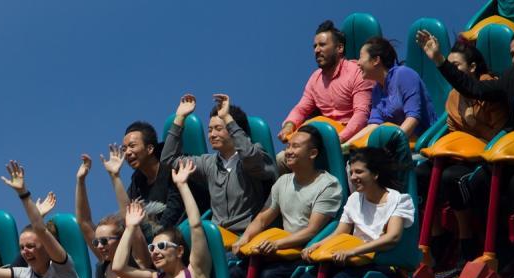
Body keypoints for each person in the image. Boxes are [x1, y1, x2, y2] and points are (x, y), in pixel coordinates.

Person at [233, 148, 413, 278]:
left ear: (376, 174)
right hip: (355, 260)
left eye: (359, 172)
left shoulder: (399, 200)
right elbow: (340, 232)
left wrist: (354, 251)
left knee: (348, 272)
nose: (353, 177)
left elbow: (392, 238)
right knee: (315, 271)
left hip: (387, 267)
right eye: (352, 173)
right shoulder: (355, 199)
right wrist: (316, 245)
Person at [417, 26, 514, 278]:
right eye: (512, 53)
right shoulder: (510, 80)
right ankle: (503, 249)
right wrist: (439, 61)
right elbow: (474, 89)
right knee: (480, 180)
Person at [230, 125, 342, 278]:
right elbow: (262, 217)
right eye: (287, 146)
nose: (288, 151)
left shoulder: (328, 185)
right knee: (236, 273)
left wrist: (278, 243)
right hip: (280, 249)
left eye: (295, 146)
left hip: (306, 251)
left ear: (312, 154)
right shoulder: (282, 182)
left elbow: (312, 230)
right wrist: (244, 238)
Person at [413, 40, 508, 264]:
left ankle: (467, 239)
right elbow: (454, 128)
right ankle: (437, 235)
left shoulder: (491, 87)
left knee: (452, 178)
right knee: (420, 174)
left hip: (484, 155)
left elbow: (498, 133)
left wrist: (474, 123)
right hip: (459, 153)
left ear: (472, 68)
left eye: (456, 66)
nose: (452, 71)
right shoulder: (454, 96)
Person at [162, 93, 278, 234]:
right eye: (210, 130)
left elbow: (248, 156)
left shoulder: (257, 154)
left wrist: (227, 117)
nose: (212, 135)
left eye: (218, 128)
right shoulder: (208, 163)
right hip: (218, 236)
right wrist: (180, 118)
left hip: (249, 236)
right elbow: (169, 159)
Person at [276, 20, 373, 170]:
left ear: (339, 48)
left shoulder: (357, 72)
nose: (316, 50)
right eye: (315, 46)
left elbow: (361, 115)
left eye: (322, 45)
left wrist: (335, 141)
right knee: (282, 159)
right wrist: (289, 126)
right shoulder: (315, 79)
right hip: (323, 138)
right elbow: (301, 108)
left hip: (352, 140)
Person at [106, 122, 210, 240]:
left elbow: (174, 214)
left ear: (150, 148)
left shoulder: (173, 169)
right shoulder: (137, 182)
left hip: (190, 236)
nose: (128, 152)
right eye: (124, 149)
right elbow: (128, 217)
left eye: (132, 146)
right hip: (158, 244)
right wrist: (115, 176)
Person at [344, 37, 437, 149]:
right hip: (398, 144)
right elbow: (374, 125)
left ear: (375, 60)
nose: (357, 63)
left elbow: (413, 118)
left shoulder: (404, 75)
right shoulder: (377, 90)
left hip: (421, 143)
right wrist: (347, 145)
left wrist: (392, 144)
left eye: (361, 57)